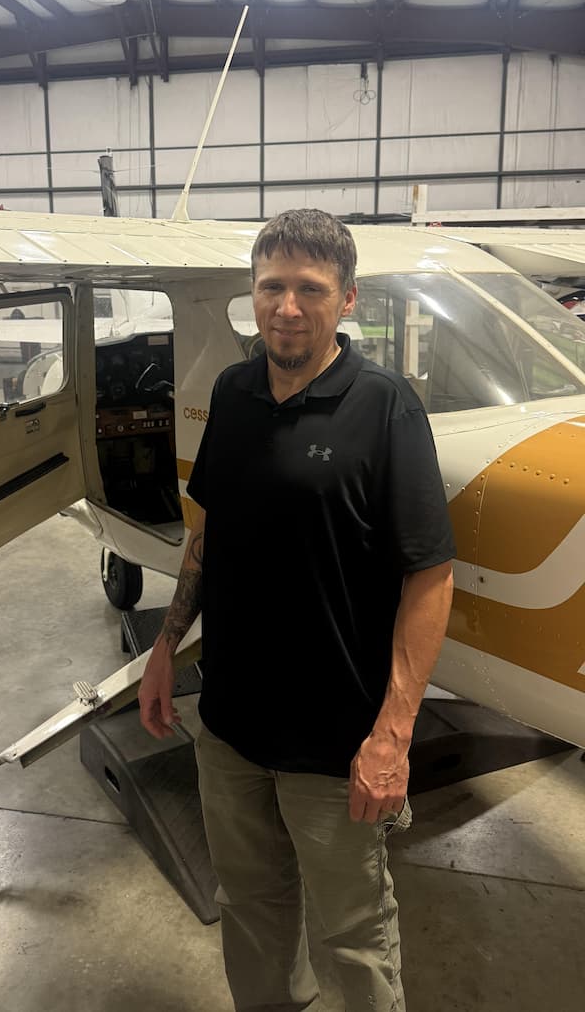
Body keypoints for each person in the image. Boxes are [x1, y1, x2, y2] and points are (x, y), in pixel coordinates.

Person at [138, 208, 455, 1012]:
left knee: (351, 937)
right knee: (249, 913)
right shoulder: (234, 392)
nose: (287, 306)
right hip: (231, 727)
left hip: (336, 744)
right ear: (252, 294)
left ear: (346, 300)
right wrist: (165, 647)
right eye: (271, 286)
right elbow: (208, 532)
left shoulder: (386, 407)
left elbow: (430, 576)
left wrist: (393, 734)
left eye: (309, 289)